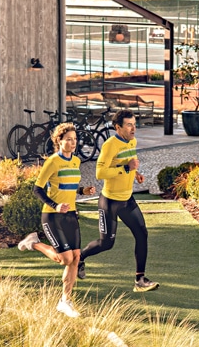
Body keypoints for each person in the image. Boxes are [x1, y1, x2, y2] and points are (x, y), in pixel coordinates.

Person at [17, 122, 96, 318]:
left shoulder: (76, 161)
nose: (73, 143)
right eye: (68, 139)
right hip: (52, 215)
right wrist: (55, 206)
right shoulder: (52, 162)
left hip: (71, 215)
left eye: (75, 139)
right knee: (65, 259)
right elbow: (37, 189)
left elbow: (69, 186)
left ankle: (65, 301)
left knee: (76, 257)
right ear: (59, 141)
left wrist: (83, 191)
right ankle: (34, 243)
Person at [77, 109, 160, 293]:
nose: (133, 129)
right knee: (106, 243)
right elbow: (100, 173)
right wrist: (126, 168)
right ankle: (80, 258)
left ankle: (140, 280)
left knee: (142, 234)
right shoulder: (110, 145)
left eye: (134, 124)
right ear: (118, 127)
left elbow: (130, 161)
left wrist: (136, 173)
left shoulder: (132, 141)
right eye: (129, 125)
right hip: (110, 202)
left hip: (127, 200)